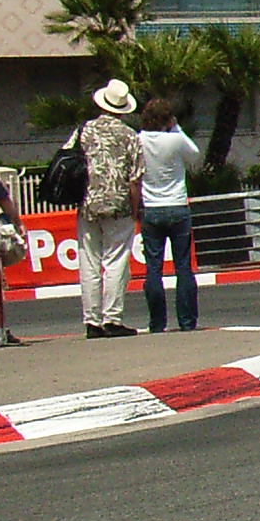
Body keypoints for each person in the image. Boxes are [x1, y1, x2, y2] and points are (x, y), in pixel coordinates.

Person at [77, 79, 144, 339]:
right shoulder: (130, 136)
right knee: (116, 261)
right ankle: (112, 318)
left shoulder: (84, 131)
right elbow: (135, 179)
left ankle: (91, 321)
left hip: (87, 202)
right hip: (119, 204)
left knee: (89, 261)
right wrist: (136, 209)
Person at [137, 98, 202, 334]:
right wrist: (177, 128)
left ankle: (157, 322)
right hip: (177, 206)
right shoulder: (175, 139)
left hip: (152, 208)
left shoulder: (139, 140)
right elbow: (194, 155)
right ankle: (187, 321)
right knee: (183, 266)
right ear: (168, 119)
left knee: (153, 268)